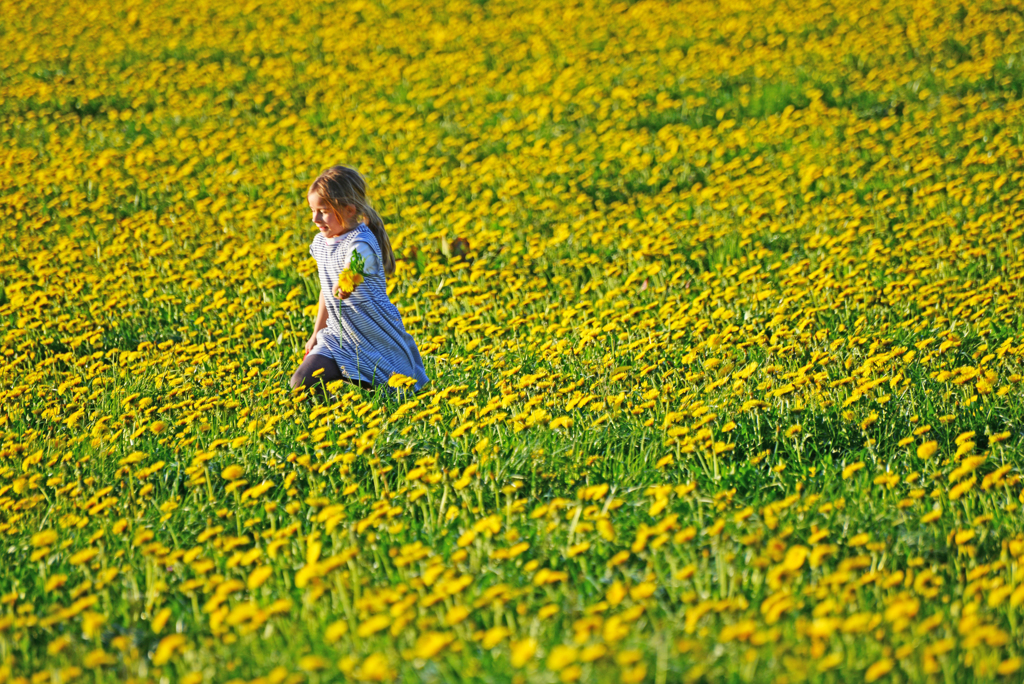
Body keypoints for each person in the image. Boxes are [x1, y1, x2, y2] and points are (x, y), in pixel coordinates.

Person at [290, 165, 429, 395]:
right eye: (312, 210)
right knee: (300, 383)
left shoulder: (361, 240)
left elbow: (356, 264)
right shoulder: (322, 244)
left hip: (373, 334)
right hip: (338, 335)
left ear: (348, 210)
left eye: (323, 211)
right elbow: (326, 289)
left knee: (397, 391)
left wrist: (346, 283)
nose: (315, 218)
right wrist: (316, 332)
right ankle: (328, 420)